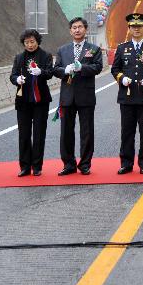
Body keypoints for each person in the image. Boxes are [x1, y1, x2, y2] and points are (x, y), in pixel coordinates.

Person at [110, 13, 143, 175]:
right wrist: (121, 78)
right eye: (133, 26)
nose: (137, 29)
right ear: (129, 28)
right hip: (126, 97)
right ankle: (126, 163)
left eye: (139, 26)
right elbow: (115, 69)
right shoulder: (122, 48)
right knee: (127, 132)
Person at [53, 17, 103, 175]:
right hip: (67, 96)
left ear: (85, 29)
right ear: (70, 31)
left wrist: (83, 68)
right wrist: (64, 71)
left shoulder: (93, 49)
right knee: (66, 132)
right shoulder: (62, 50)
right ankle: (68, 164)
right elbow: (56, 69)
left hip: (86, 96)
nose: (77, 30)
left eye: (80, 27)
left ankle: (85, 164)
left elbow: (98, 67)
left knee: (87, 132)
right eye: (74, 27)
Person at [9, 28, 54, 177]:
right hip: (23, 100)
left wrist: (41, 72)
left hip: (40, 100)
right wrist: (17, 79)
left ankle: (37, 166)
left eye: (32, 41)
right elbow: (13, 75)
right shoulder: (19, 57)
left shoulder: (46, 56)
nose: (29, 45)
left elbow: (49, 74)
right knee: (24, 133)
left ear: (37, 41)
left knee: (39, 133)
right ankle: (24, 166)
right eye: (26, 42)